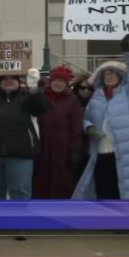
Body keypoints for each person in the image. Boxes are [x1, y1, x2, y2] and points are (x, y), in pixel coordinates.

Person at [0, 67, 48, 201]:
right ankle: (0, 220)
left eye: (13, 78)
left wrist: (34, 89)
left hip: (20, 153)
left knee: (20, 192)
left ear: (19, 81)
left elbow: (40, 108)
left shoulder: (26, 96)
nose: (9, 81)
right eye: (5, 78)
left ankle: (20, 220)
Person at [73, 34, 129, 200]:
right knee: (104, 191)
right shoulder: (96, 97)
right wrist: (88, 127)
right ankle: (107, 222)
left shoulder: (128, 93)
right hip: (100, 152)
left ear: (121, 76)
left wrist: (128, 53)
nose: (109, 75)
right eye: (106, 73)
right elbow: (86, 118)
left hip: (124, 154)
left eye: (113, 73)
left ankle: (125, 223)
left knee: (123, 192)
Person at [33, 65, 83, 199]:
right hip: (42, 143)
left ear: (66, 84)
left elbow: (76, 126)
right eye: (56, 81)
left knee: (61, 179)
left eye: (62, 82)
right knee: (41, 176)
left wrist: (74, 150)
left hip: (62, 146)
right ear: (51, 81)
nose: (58, 84)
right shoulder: (42, 96)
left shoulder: (72, 100)